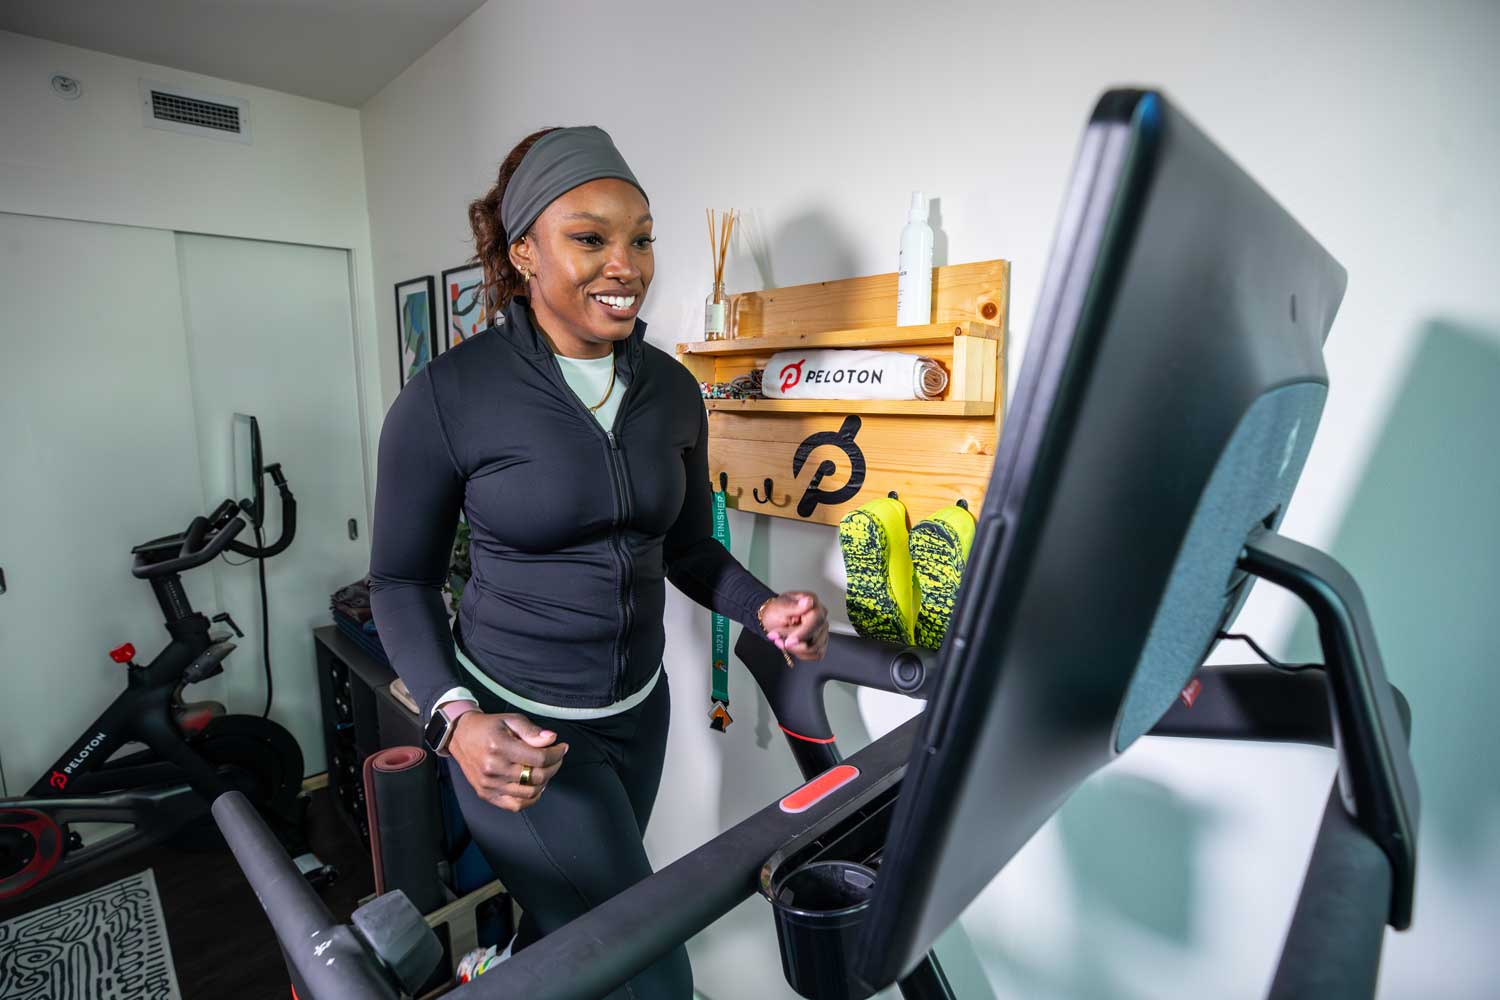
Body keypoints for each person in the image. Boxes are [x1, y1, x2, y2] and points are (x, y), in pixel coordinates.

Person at [368, 125, 830, 998]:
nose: (626, 265)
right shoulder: (448, 396)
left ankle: (499, 971)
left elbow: (689, 548)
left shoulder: (670, 388)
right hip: (521, 733)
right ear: (524, 255)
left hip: (637, 714)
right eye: (590, 238)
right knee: (653, 974)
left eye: (641, 238)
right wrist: (456, 723)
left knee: (570, 923)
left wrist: (762, 607)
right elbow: (399, 582)